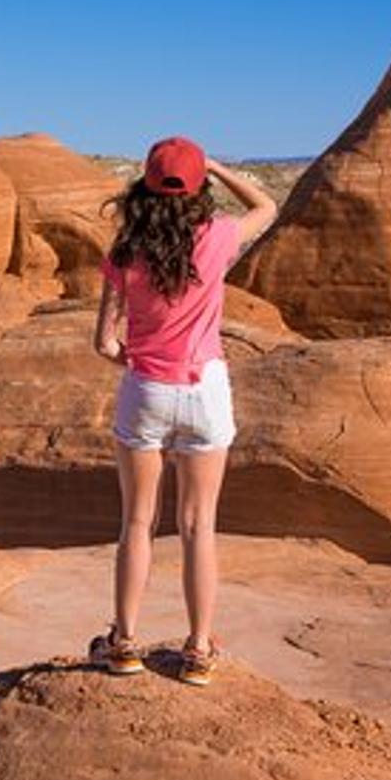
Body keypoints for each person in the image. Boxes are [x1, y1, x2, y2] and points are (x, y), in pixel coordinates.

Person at [88, 136, 277, 685]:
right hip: (204, 390)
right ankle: (197, 650)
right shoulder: (218, 238)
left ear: (144, 186)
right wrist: (218, 165)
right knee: (198, 526)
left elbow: (103, 343)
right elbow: (267, 207)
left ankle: (123, 644)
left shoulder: (124, 252)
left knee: (137, 521)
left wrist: (140, 363)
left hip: (145, 387)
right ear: (200, 189)